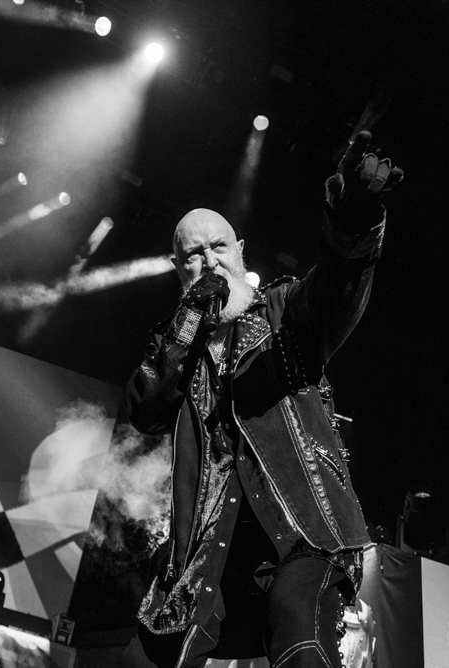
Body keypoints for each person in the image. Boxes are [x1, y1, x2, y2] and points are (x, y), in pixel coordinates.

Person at [125, 131, 403, 668]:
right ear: (179, 269)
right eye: (194, 255)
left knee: (300, 638)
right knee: (148, 653)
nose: (209, 262)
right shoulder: (175, 344)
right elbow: (145, 411)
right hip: (212, 543)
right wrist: (189, 321)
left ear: (240, 252)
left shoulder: (282, 313)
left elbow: (337, 289)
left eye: (218, 248)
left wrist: (352, 220)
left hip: (304, 526)